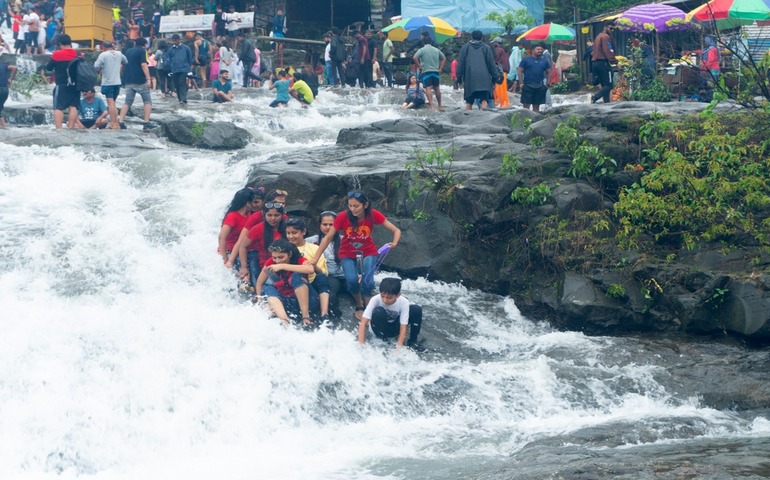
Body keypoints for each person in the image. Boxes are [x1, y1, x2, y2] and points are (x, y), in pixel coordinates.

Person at [310, 190, 401, 320]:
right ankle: (359, 304)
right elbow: (328, 237)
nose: (353, 209)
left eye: (356, 206)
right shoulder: (342, 217)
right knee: (352, 280)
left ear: (365, 205)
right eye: (350, 206)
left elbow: (396, 230)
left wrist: (395, 242)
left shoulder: (373, 215)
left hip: (368, 250)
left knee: (367, 281)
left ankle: (368, 309)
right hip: (347, 252)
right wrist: (315, 258)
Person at [255, 239, 318, 326]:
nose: (277, 261)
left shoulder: (299, 259)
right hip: (287, 303)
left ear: (290, 254)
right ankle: (285, 321)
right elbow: (259, 283)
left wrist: (283, 266)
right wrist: (259, 299)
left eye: (281, 257)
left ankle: (305, 318)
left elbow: (310, 269)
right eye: (274, 257)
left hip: (308, 301)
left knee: (297, 276)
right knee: (268, 289)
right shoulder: (271, 262)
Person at [285, 217, 331, 322]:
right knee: (296, 275)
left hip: (311, 289)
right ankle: (304, 317)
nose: (291, 236)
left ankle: (325, 314)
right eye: (288, 233)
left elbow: (324, 273)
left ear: (304, 231)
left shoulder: (314, 248)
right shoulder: (283, 248)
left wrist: (313, 266)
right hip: (290, 291)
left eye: (294, 233)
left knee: (321, 277)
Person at [358, 278, 423, 349]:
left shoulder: (404, 302)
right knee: (378, 311)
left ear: (398, 295)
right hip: (378, 329)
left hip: (393, 329)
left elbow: (403, 327)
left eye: (389, 298)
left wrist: (398, 348)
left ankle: (413, 342)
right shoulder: (375, 299)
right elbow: (363, 323)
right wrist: (361, 345)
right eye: (382, 296)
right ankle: (383, 341)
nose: (385, 300)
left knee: (416, 309)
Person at [238, 201, 287, 287]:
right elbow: (242, 246)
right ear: (264, 215)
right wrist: (244, 267)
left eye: (276, 215)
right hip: (265, 267)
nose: (273, 218)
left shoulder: (288, 228)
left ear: (282, 215)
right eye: (269, 215)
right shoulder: (258, 228)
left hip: (286, 265)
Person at [306, 211, 346, 317]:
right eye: (324, 224)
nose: (328, 227)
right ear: (319, 225)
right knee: (329, 294)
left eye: (331, 224)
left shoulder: (345, 240)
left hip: (346, 275)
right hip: (330, 277)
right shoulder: (311, 241)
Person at [456, 30, 499, 111]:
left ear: (471, 37)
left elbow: (461, 63)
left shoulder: (465, 47)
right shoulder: (486, 48)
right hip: (484, 78)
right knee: (484, 99)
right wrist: (495, 78)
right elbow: (491, 64)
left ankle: (468, 118)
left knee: (469, 101)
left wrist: (459, 78)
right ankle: (483, 116)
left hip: (469, 78)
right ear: (481, 38)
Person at [118, 37, 154, 130]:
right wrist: (148, 79)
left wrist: (122, 76)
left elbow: (122, 65)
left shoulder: (128, 51)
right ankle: (146, 123)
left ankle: (121, 121)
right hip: (140, 80)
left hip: (128, 80)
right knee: (147, 101)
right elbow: (144, 65)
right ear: (144, 44)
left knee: (127, 101)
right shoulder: (143, 51)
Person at [43, 34, 79, 128]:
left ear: (60, 43)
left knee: (58, 107)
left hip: (61, 84)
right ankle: (71, 127)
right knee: (73, 106)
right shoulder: (78, 54)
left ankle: (59, 129)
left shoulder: (57, 55)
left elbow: (48, 68)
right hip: (75, 85)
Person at [218, 187, 256, 268]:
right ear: (248, 203)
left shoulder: (249, 215)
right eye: (253, 202)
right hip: (229, 251)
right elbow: (221, 238)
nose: (254, 205)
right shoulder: (232, 216)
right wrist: (225, 259)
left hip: (242, 249)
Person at [94, 41, 127, 130]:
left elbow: (96, 66)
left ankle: (113, 124)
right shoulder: (119, 53)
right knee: (114, 103)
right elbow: (125, 61)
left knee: (110, 103)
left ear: (103, 48)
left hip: (108, 82)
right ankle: (116, 122)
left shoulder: (103, 55)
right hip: (117, 82)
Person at [413, 36, 446, 110]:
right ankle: (440, 105)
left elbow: (414, 57)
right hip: (435, 72)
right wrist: (440, 68)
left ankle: (431, 106)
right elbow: (444, 58)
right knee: (437, 88)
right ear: (431, 42)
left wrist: (419, 66)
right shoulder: (436, 50)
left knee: (428, 88)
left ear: (423, 42)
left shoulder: (422, 50)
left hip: (426, 72)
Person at [517, 43, 551, 113]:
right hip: (528, 85)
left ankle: (535, 121)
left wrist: (548, 83)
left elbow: (549, 72)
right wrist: (521, 83)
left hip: (539, 85)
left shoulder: (544, 61)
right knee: (526, 106)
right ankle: (525, 121)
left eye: (541, 49)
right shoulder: (526, 60)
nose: (540, 51)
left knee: (536, 106)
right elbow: (520, 71)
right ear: (533, 50)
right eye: (538, 49)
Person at [590, 23, 617, 104]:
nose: (612, 30)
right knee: (609, 85)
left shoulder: (598, 36)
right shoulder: (605, 37)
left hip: (595, 63)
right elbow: (607, 51)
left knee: (604, 85)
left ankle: (606, 103)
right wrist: (615, 62)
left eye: (613, 29)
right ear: (605, 27)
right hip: (603, 63)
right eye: (611, 28)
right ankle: (595, 97)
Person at [164, 33, 193, 105]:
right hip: (174, 70)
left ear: (179, 40)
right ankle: (180, 99)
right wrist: (169, 67)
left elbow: (190, 59)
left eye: (176, 40)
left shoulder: (186, 48)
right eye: (173, 41)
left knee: (182, 83)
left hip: (184, 69)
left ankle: (183, 99)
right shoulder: (171, 49)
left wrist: (189, 69)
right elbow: (168, 58)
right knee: (176, 84)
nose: (174, 42)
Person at [491, 37, 510, 108]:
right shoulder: (505, 50)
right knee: (502, 88)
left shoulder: (499, 50)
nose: (493, 44)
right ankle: (502, 103)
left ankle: (502, 104)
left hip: (500, 71)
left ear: (497, 43)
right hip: (504, 71)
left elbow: (495, 59)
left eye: (494, 43)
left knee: (499, 88)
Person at [0, 57, 17, 128]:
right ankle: (4, 126)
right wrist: (10, 79)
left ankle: (4, 127)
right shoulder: (4, 65)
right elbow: (14, 68)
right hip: (5, 89)